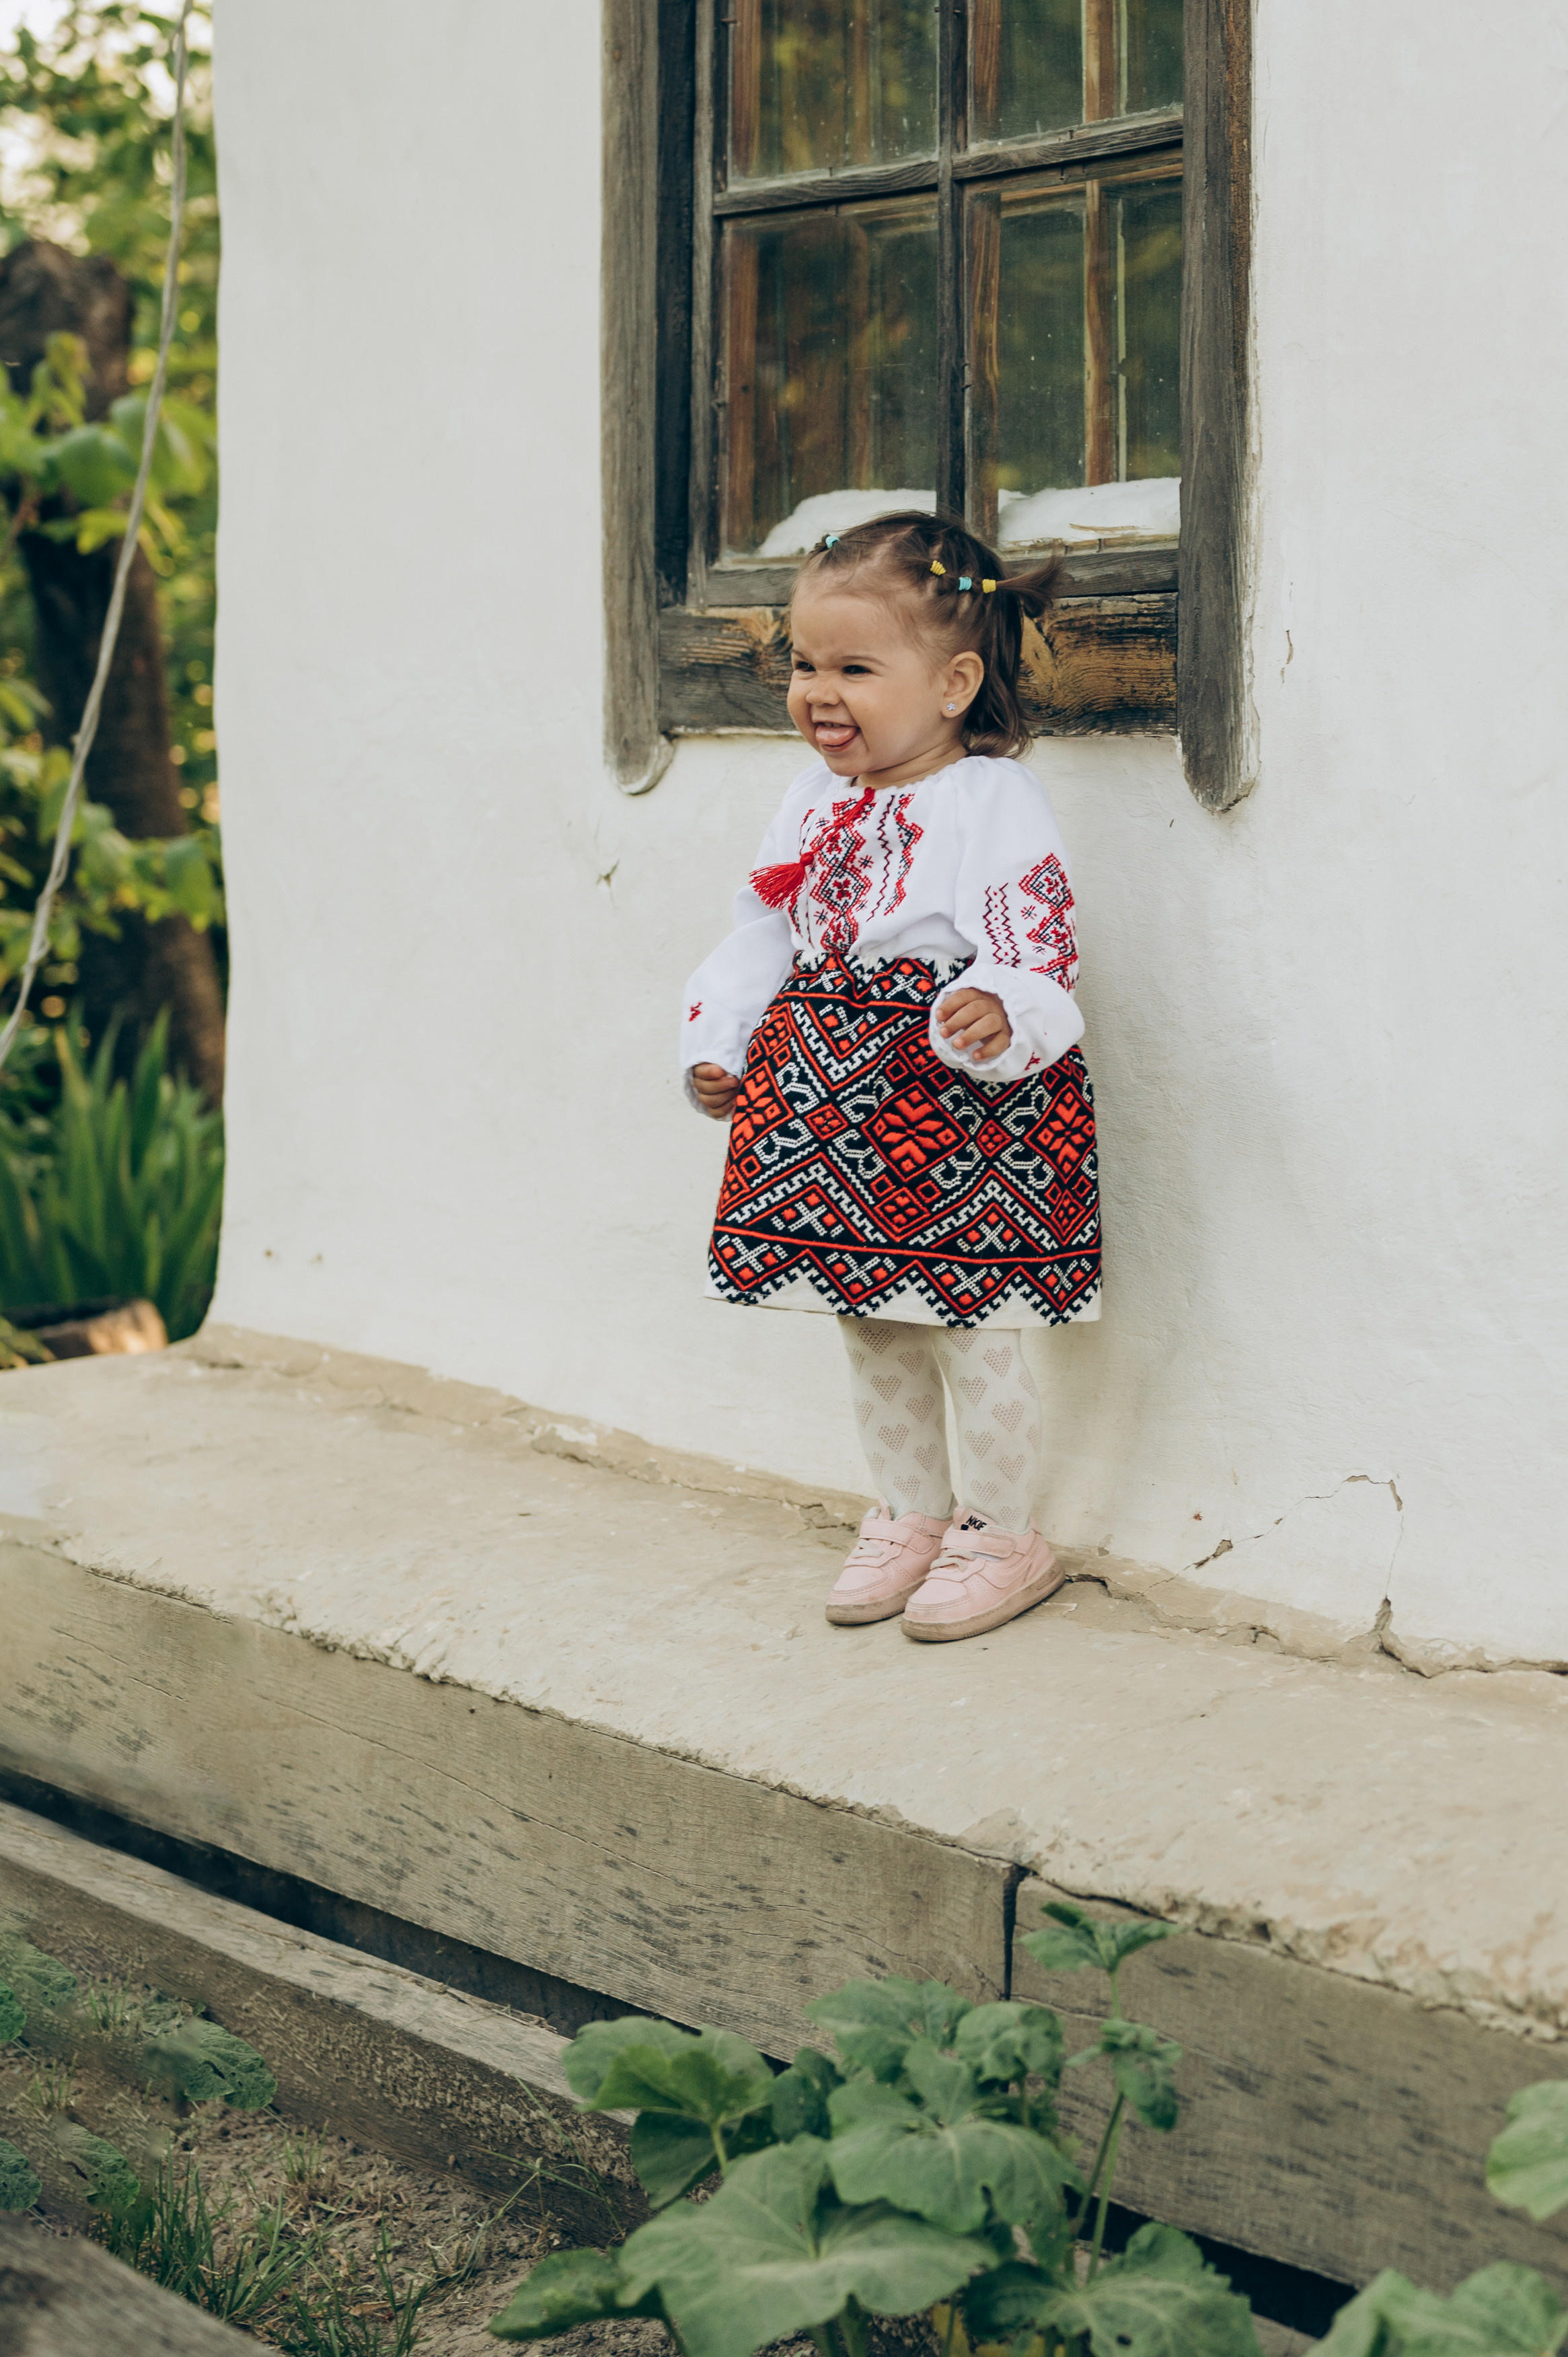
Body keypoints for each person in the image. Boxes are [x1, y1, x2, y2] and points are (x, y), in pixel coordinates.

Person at [679, 511, 1100, 1644]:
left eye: (854, 667)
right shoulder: (810, 804)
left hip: (954, 1093)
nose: (818, 691)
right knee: (869, 1317)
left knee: (975, 1320)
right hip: (828, 1093)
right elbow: (763, 932)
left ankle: (1002, 1531)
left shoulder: (989, 800)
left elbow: (1037, 942)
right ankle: (911, 1510)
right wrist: (719, 1041)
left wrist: (1000, 1006)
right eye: (804, 665)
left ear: (956, 679)